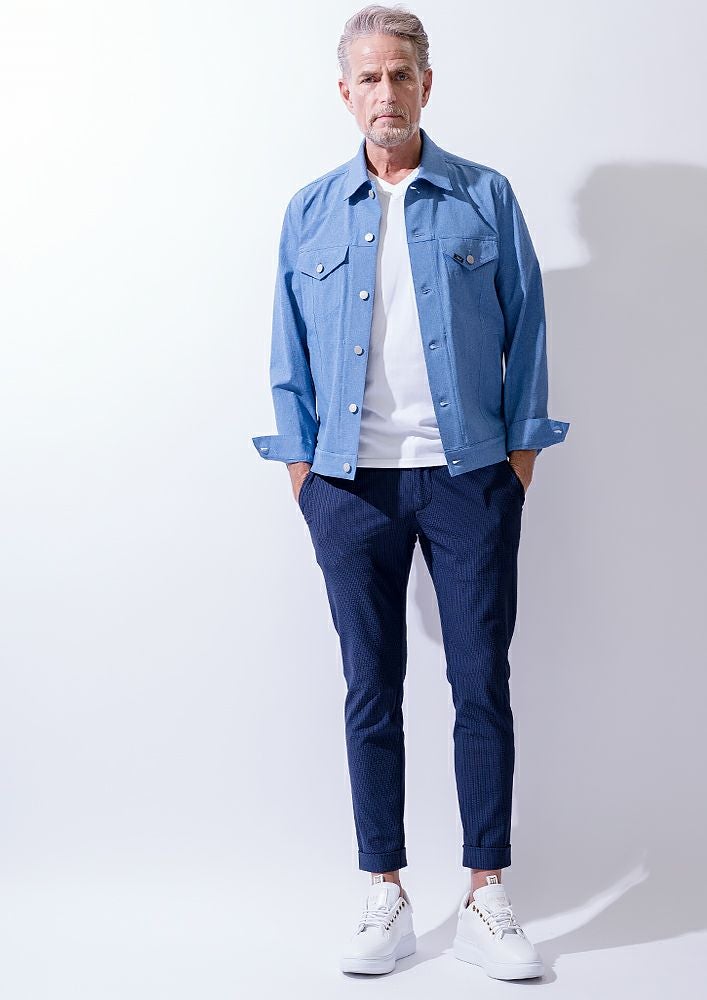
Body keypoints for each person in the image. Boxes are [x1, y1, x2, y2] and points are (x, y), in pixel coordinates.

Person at [251, 4, 569, 981]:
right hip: (348, 486)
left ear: (425, 85)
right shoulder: (310, 211)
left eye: (400, 75)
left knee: (479, 683)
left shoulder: (484, 196)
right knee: (369, 687)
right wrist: (305, 479)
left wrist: (514, 465)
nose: (384, 92)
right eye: (368, 77)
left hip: (469, 478)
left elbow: (527, 332)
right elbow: (287, 356)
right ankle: (383, 890)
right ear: (343, 93)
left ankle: (485, 893)